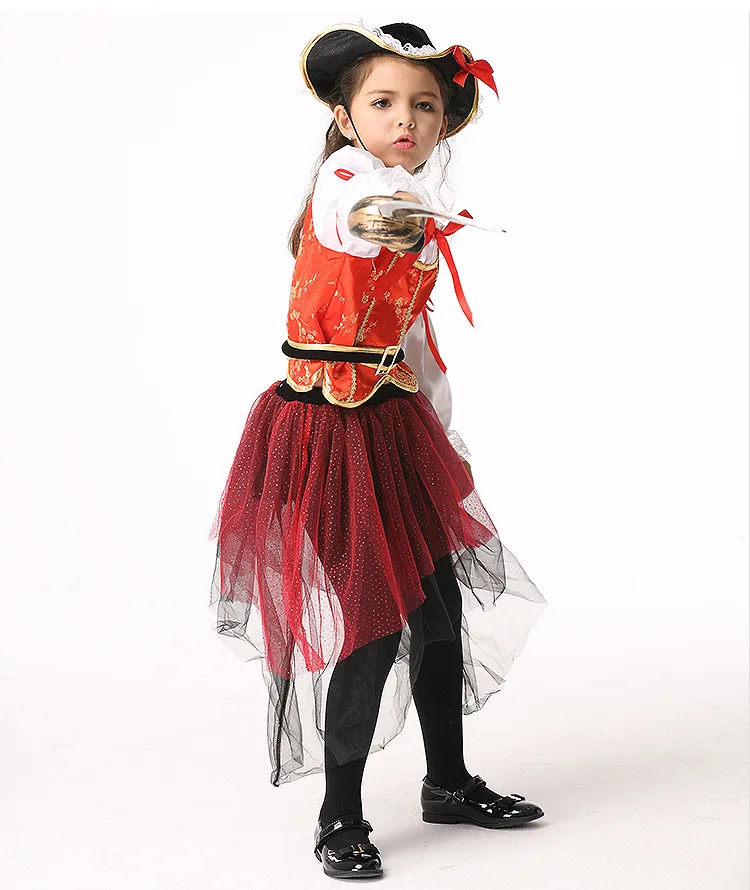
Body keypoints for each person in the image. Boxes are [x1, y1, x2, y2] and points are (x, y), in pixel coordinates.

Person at [208, 20, 549, 880]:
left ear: (444, 122)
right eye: (384, 102)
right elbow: (355, 213)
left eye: (424, 106)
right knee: (371, 620)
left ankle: (447, 782)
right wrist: (386, 220)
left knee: (439, 609)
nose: (406, 119)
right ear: (346, 116)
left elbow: (417, 347)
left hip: (397, 430)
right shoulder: (351, 184)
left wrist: (446, 438)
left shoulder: (418, 213)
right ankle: (339, 816)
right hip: (327, 436)